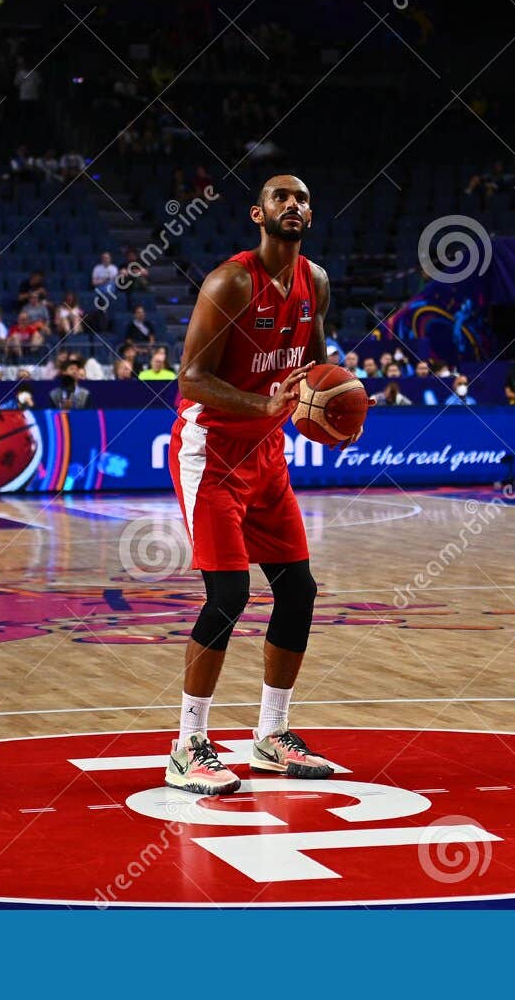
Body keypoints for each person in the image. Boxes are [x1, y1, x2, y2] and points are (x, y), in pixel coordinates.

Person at [164, 174, 357, 796]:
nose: (294, 205)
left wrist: (326, 405)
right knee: (227, 596)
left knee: (297, 589)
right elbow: (191, 378)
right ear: (258, 213)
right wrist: (265, 405)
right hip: (211, 452)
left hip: (266, 456)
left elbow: (314, 367)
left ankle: (272, 735)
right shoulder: (231, 282)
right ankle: (189, 743)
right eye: (282, 197)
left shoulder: (316, 282)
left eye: (303, 197)